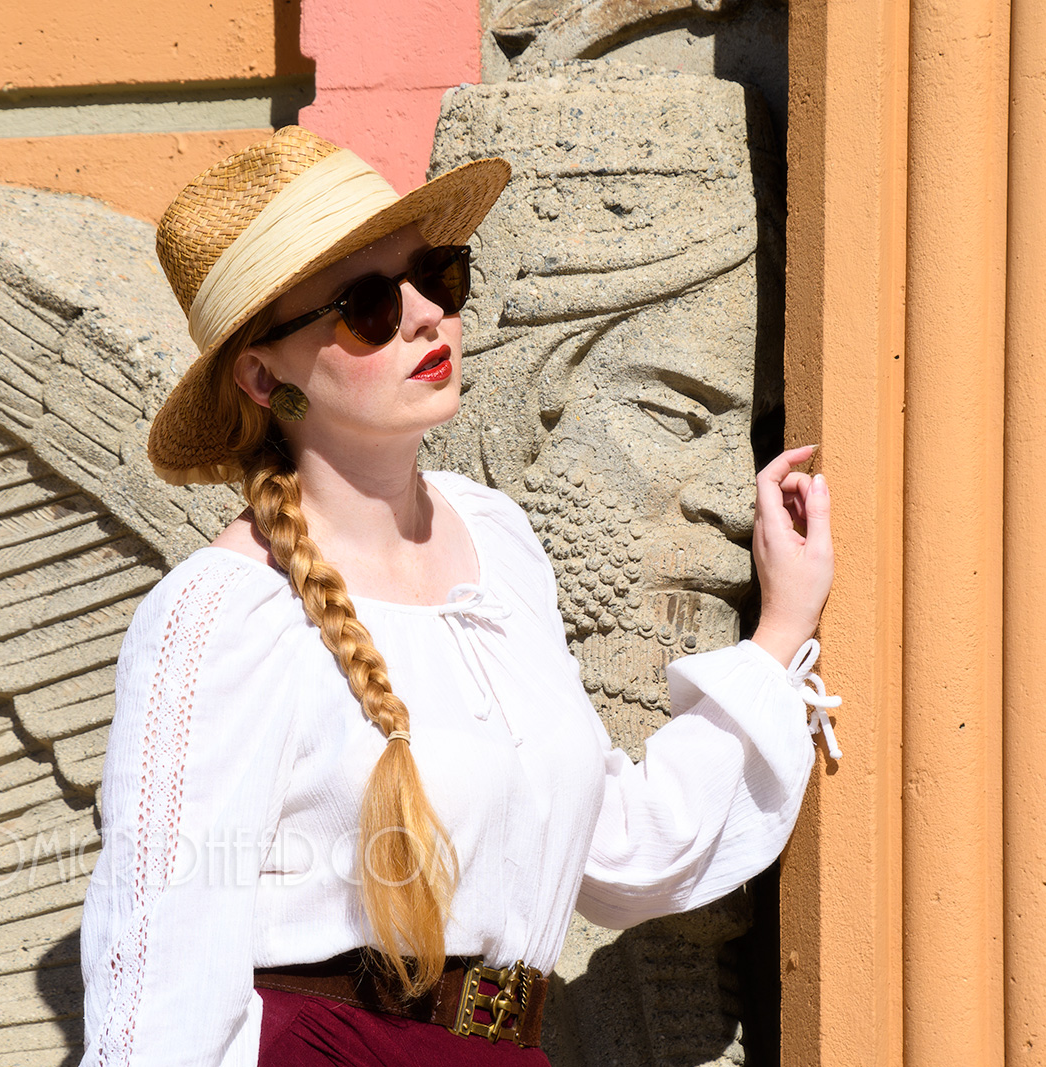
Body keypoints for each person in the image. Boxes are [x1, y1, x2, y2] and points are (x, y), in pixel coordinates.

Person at [78, 125, 835, 1067]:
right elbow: (158, 966)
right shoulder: (223, 613)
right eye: (362, 307)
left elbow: (616, 844)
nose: (426, 316)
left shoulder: (500, 543)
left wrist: (781, 629)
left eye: (437, 276)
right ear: (265, 374)